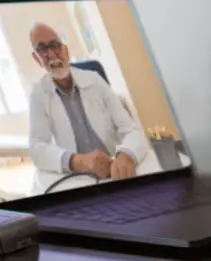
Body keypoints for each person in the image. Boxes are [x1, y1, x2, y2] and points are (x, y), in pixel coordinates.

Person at [27, 22, 149, 183]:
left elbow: (131, 129)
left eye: (55, 45)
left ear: (66, 51)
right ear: (37, 58)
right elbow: (36, 147)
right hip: (78, 177)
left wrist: (126, 154)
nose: (51, 54)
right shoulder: (38, 94)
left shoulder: (95, 80)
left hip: (115, 169)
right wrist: (77, 162)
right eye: (42, 49)